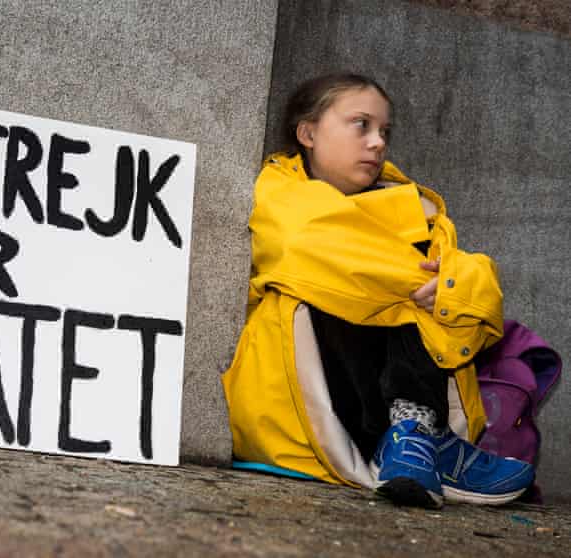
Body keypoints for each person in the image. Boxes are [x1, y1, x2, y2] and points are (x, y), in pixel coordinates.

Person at [222, 73, 534, 508]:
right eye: (361, 125)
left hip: (392, 389)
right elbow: (311, 245)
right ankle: (418, 438)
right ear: (308, 133)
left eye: (384, 131)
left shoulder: (408, 200)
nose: (377, 142)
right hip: (315, 402)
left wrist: (448, 285)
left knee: (417, 291)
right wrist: (432, 284)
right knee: (355, 289)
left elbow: (479, 291)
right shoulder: (282, 190)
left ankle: (415, 435)